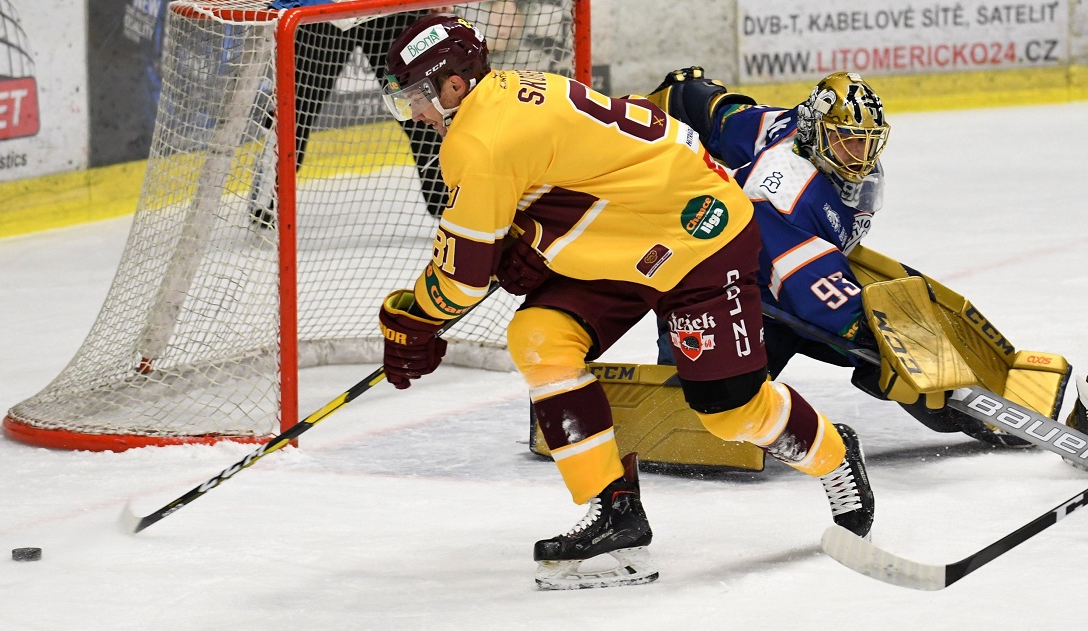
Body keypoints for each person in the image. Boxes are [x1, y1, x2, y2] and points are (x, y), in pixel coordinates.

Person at [374, 14, 874, 590]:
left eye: (415, 97)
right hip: (628, 240)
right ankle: (616, 511)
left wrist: (409, 318)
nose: (413, 113)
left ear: (454, 86)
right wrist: (533, 234)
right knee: (540, 336)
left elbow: (460, 281)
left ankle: (835, 456)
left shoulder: (478, 140)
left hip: (698, 239)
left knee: (729, 411)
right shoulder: (512, 91)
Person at [648, 67, 1031, 447]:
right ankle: (683, 391)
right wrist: (881, 338)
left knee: (896, 323)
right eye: (846, 140)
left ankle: (981, 393)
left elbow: (724, 120)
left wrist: (687, 97)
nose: (858, 154)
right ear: (820, 132)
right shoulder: (780, 187)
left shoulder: (794, 125)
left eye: (866, 141)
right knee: (721, 402)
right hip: (720, 292)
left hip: (776, 277)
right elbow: (809, 287)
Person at [250, 2, 450, 228]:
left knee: (422, 107)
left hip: (389, 9)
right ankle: (268, 203)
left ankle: (448, 202)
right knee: (293, 109)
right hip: (324, 9)